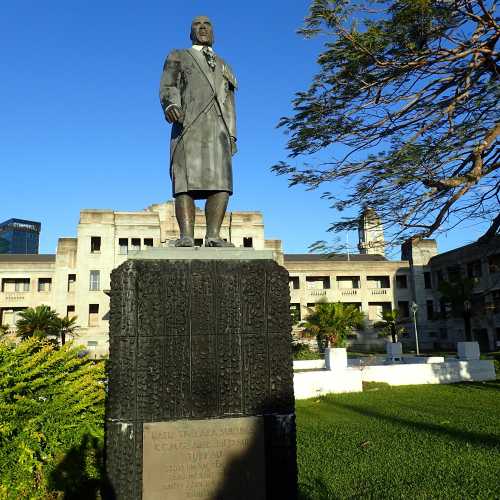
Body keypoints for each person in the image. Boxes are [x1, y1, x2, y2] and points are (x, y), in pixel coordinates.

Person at [159, 15, 237, 247]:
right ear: (190, 32)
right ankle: (186, 235)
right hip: (188, 125)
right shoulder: (179, 55)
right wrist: (171, 104)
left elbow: (230, 103)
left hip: (218, 131)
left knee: (222, 183)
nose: (203, 28)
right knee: (185, 181)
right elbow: (168, 84)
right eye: (197, 24)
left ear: (213, 32)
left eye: (208, 24)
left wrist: (232, 133)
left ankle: (213, 234)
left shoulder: (225, 65)